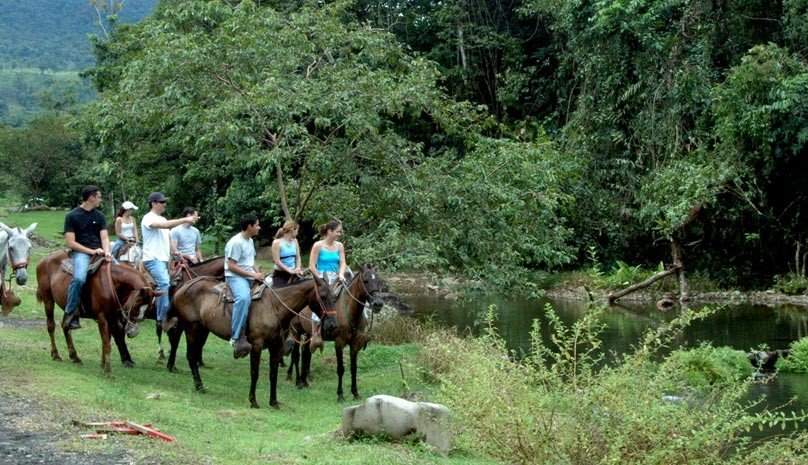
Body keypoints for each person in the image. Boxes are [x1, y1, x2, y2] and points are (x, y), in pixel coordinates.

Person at [141, 192, 199, 326]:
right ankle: (162, 318)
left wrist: (176, 252)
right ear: (153, 203)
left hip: (164, 259)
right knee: (164, 283)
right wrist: (185, 220)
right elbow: (166, 226)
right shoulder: (147, 218)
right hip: (152, 259)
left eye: (164, 202)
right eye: (162, 202)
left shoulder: (163, 219)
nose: (164, 204)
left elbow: (168, 239)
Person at [62, 185, 112, 330]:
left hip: (101, 251)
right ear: (91, 198)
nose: (100, 200)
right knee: (78, 279)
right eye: (99, 197)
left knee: (123, 272)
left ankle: (122, 312)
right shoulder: (72, 216)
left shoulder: (100, 216)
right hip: (82, 253)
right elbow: (71, 242)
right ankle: (71, 313)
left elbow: (105, 237)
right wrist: (91, 251)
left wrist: (107, 251)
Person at [225, 213, 265, 359]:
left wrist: (257, 273)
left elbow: (251, 260)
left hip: (249, 275)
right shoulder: (236, 242)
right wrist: (253, 275)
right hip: (235, 277)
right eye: (257, 225)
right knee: (243, 299)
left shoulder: (250, 241)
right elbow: (231, 266)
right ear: (250, 226)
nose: (259, 228)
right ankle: (235, 337)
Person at [307, 219, 347, 351]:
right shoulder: (318, 245)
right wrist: (319, 279)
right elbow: (311, 265)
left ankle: (357, 325)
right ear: (329, 231)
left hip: (336, 276)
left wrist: (341, 274)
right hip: (321, 276)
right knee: (321, 298)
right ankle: (315, 333)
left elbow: (342, 263)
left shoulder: (339, 246)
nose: (339, 234)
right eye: (337, 232)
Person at [270, 220, 305, 287]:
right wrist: (289, 270)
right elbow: (277, 261)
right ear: (292, 230)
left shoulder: (295, 241)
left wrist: (298, 268)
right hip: (280, 274)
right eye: (297, 230)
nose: (297, 233)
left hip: (294, 272)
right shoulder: (276, 242)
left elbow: (298, 257)